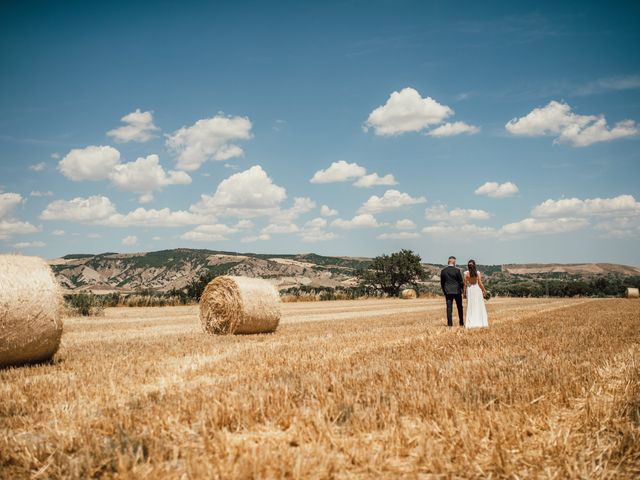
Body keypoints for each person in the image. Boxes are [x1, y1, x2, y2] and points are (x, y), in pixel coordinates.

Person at [464, 259, 489, 329]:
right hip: (477, 290)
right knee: (479, 305)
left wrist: (464, 293)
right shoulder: (477, 273)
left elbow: (465, 285)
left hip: (470, 290)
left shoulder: (466, 273)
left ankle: (471, 322)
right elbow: (480, 283)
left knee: (471, 306)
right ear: (474, 265)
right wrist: (484, 291)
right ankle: (480, 321)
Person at [440, 256, 464, 327]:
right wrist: (463, 291)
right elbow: (461, 282)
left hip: (448, 292)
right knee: (460, 307)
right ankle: (461, 323)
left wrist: (444, 291)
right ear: (454, 262)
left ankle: (450, 324)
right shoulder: (457, 270)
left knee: (449, 309)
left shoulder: (443, 271)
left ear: (448, 262)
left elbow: (442, 283)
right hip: (457, 291)